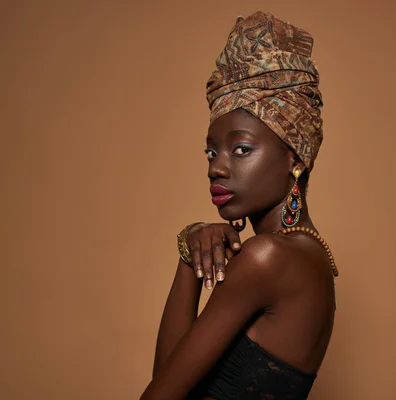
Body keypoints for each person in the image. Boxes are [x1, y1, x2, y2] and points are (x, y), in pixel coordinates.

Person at [140, 11, 338, 400]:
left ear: (295, 158)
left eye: (241, 149)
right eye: (211, 151)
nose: (217, 166)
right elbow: (167, 376)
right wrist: (190, 251)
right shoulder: (310, 255)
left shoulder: (266, 256)